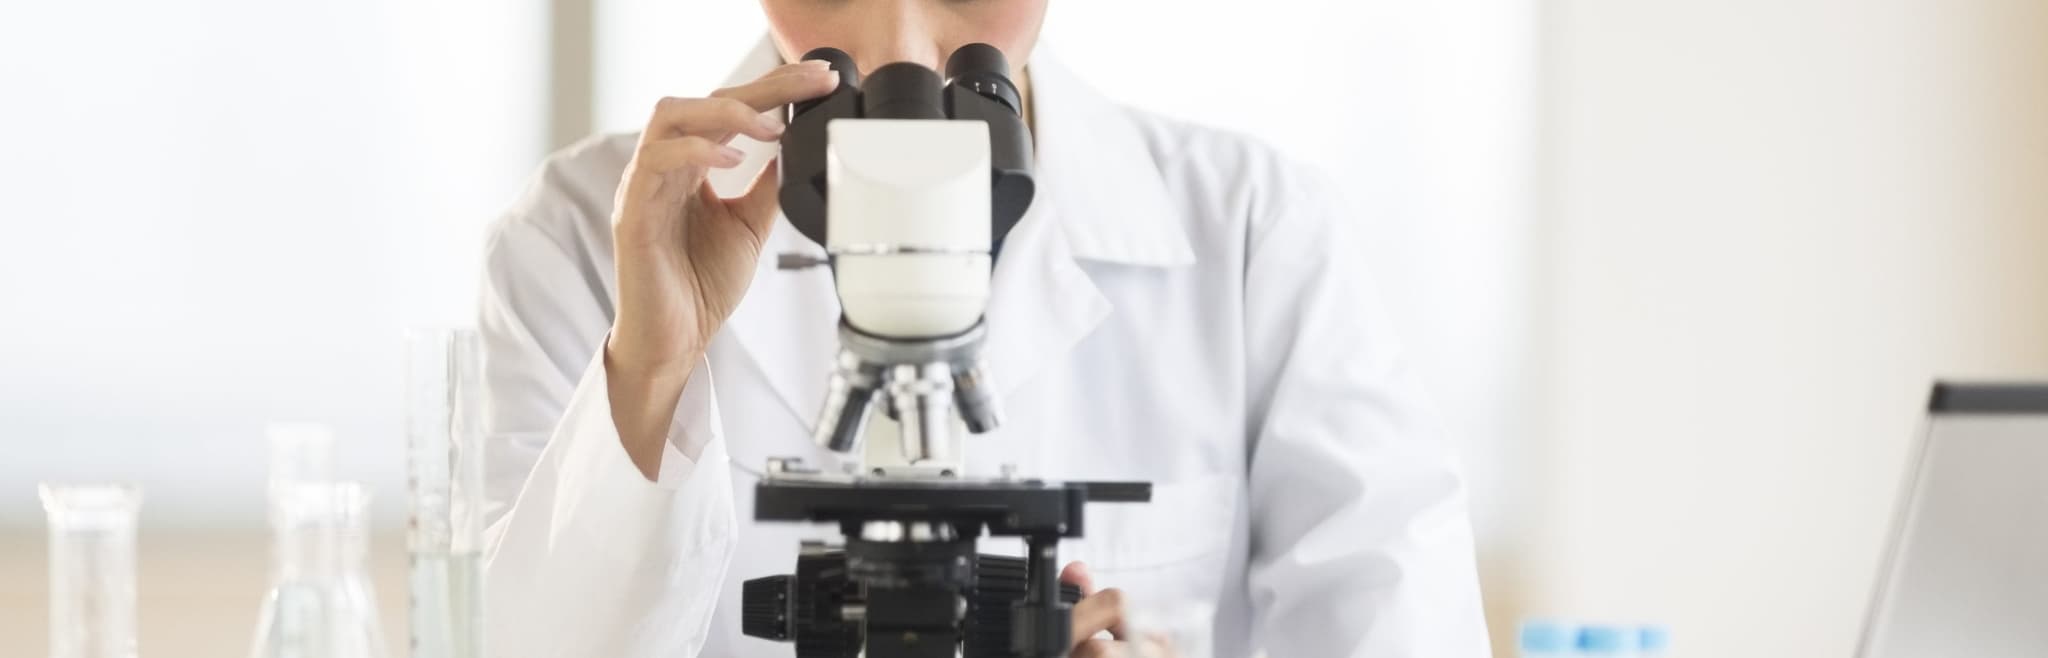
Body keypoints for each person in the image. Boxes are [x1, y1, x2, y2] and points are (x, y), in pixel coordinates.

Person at [473, 1, 1491, 656]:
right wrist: (649, 369)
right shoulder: (578, 234)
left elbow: (1404, 627)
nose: (904, 38)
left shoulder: (1253, 231)